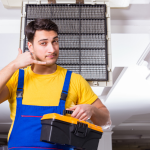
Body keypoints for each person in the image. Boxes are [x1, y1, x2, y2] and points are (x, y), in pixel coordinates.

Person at [0, 19, 111, 150]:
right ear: (30, 47)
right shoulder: (16, 78)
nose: (52, 49)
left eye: (55, 41)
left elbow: (106, 122)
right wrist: (13, 65)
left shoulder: (74, 80)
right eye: (43, 43)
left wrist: (92, 110)